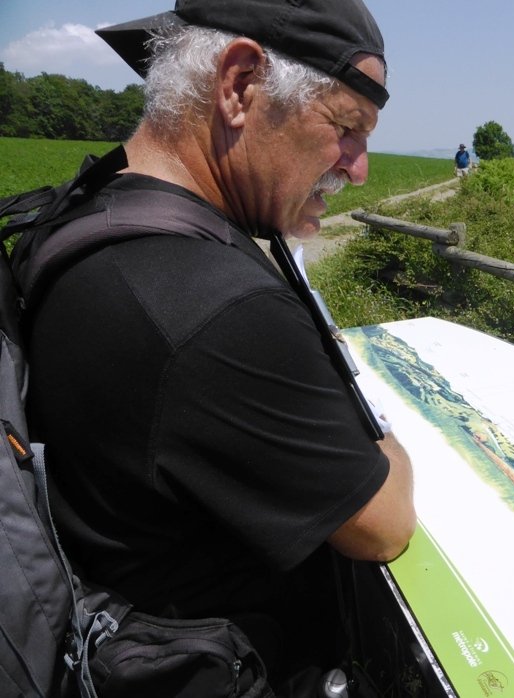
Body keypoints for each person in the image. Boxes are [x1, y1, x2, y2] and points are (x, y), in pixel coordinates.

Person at [18, 0, 415, 693]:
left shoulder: (88, 210)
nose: (358, 169)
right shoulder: (214, 307)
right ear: (238, 85)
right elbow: (384, 524)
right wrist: (391, 442)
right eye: (347, 127)